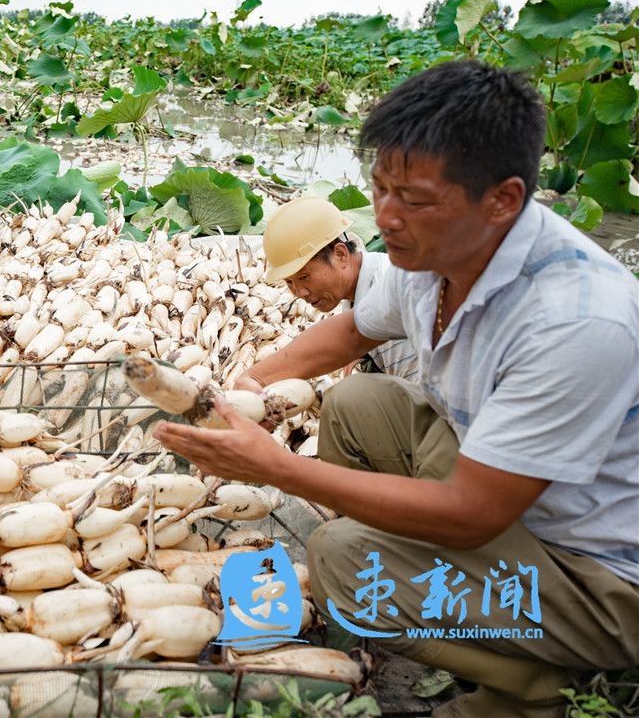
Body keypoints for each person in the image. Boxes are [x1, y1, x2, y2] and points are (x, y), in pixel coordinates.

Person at [154, 60, 638, 717]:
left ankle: (532, 685)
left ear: (502, 200)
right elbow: (349, 335)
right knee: (356, 405)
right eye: (380, 189)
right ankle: (443, 601)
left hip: (597, 576)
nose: (386, 217)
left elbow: (474, 511)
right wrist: (245, 389)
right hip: (523, 497)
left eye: (412, 199)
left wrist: (279, 468)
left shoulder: (576, 319)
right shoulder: (432, 256)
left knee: (343, 561)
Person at [263, 197, 418, 381]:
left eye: (304, 277)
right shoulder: (360, 289)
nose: (300, 293)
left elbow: (423, 398)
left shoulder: (384, 293)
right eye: (289, 282)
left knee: (343, 397)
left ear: (340, 255)